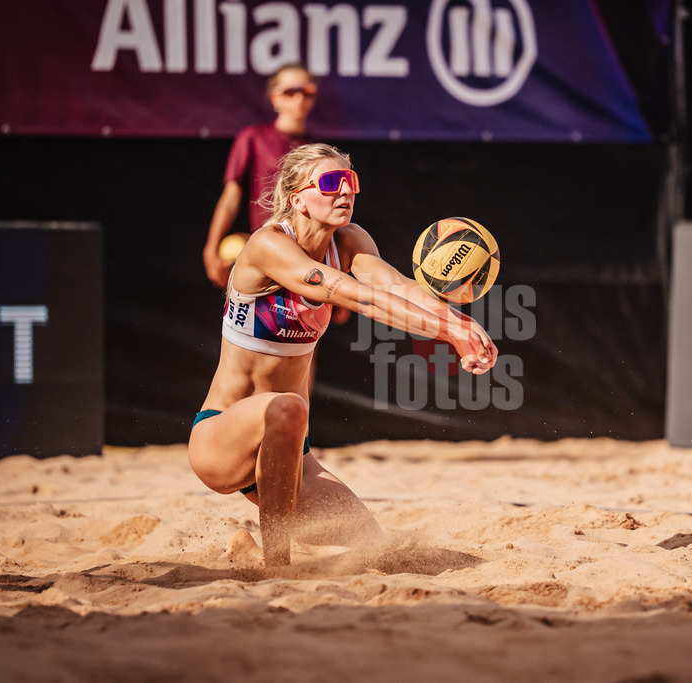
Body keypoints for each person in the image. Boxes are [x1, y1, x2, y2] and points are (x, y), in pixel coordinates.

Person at [188, 143, 498, 569]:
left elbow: (397, 288)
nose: (345, 192)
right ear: (297, 198)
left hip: (291, 455)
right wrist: (449, 332)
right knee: (288, 407)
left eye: (350, 182)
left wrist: (462, 323)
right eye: (332, 183)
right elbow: (359, 298)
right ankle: (277, 567)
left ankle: (247, 549)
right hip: (221, 438)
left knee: (374, 551)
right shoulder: (269, 244)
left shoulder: (349, 241)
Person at [202, 63, 318, 289]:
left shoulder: (316, 149)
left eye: (307, 91)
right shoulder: (253, 138)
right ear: (274, 98)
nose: (299, 98)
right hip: (266, 251)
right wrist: (211, 247)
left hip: (306, 256)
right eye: (289, 91)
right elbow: (231, 196)